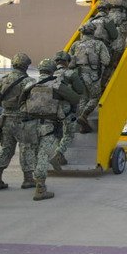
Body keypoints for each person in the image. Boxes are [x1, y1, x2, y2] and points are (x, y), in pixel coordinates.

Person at [20, 59, 80, 200]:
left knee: (35, 154)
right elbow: (75, 99)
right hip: (49, 126)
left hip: (30, 125)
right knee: (43, 156)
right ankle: (40, 189)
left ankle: (34, 180)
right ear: (52, 71)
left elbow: (20, 103)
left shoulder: (30, 84)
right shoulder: (57, 84)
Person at [0, 53, 35, 191]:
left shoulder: (3, 79)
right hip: (22, 120)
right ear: (26, 66)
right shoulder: (29, 81)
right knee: (26, 148)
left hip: (6, 119)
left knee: (6, 149)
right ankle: (28, 179)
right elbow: (33, 101)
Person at [69, 23, 110, 133]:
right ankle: (84, 115)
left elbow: (70, 61)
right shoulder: (99, 44)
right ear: (93, 32)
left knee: (83, 98)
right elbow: (106, 61)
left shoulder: (75, 45)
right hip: (92, 76)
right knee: (95, 97)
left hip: (78, 75)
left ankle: (83, 125)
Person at [50, 51, 87, 168]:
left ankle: (61, 157)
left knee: (58, 133)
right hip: (66, 109)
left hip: (51, 109)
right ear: (67, 62)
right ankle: (58, 154)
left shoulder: (50, 74)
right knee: (69, 134)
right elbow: (80, 90)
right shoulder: (71, 73)